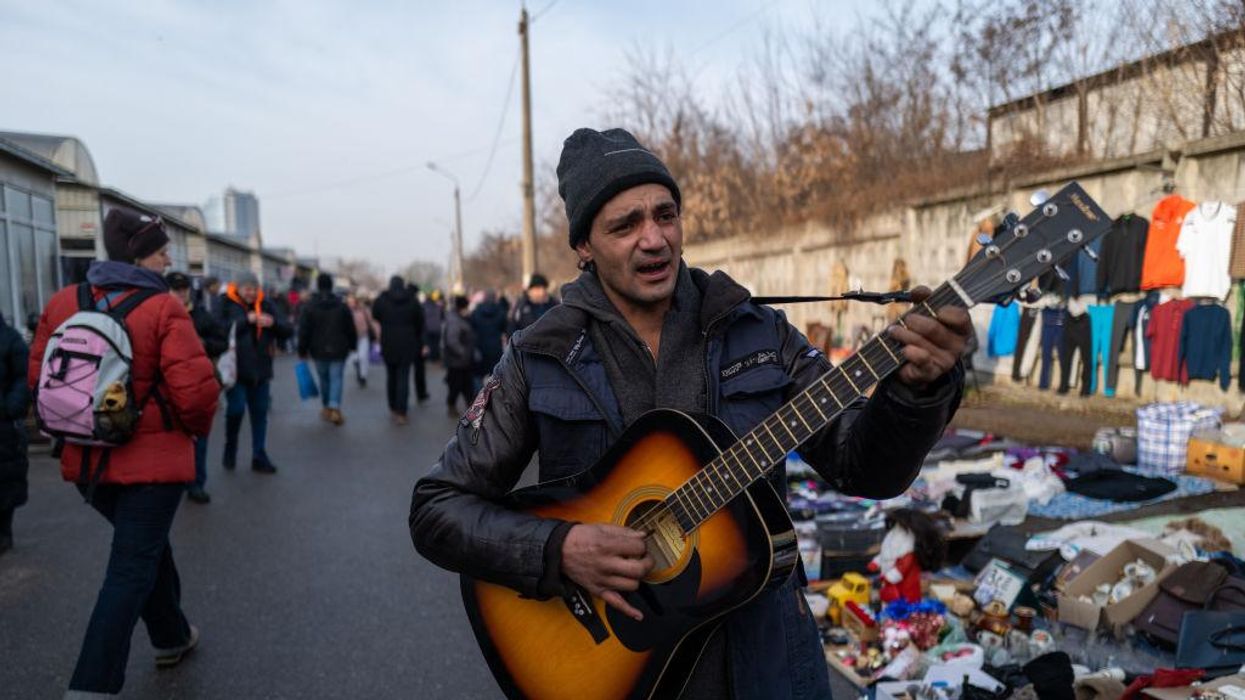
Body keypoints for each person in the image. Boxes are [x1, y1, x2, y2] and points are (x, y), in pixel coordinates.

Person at [409, 128, 969, 699]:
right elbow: (437, 510)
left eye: (665, 215)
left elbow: (865, 468)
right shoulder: (540, 354)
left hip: (764, 664)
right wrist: (559, 550)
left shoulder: (758, 331)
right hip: (616, 671)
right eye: (625, 225)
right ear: (584, 246)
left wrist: (917, 392)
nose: (654, 239)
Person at [29, 209, 218, 696]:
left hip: (86, 464)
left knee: (146, 548)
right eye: (161, 252)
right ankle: (90, 686)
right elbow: (196, 395)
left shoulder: (64, 302)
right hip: (151, 467)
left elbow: (39, 380)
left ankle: (171, 636)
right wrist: (191, 434)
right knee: (131, 567)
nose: (168, 260)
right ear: (138, 256)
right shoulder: (162, 308)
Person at [216, 271, 292, 473]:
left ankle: (259, 455)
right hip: (236, 370)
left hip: (261, 371)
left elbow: (288, 329)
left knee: (260, 415)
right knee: (236, 410)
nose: (251, 293)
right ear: (238, 287)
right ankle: (230, 447)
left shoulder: (266, 304)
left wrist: (273, 323)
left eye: (254, 288)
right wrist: (245, 321)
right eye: (247, 288)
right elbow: (218, 329)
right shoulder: (225, 303)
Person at [166, 272, 228, 504]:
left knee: (199, 434)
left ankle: (196, 483)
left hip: (198, 384)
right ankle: (176, 480)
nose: (181, 293)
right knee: (173, 436)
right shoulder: (160, 315)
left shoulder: (201, 315)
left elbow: (221, 341)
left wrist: (204, 344)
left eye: (184, 288)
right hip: (169, 386)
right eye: (176, 288)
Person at [298, 273, 356, 426]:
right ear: (332, 285)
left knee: (324, 379)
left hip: (317, 349)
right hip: (339, 348)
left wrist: (302, 350)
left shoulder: (309, 306)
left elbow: (304, 330)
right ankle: (335, 407)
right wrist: (353, 345)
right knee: (336, 378)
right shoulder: (341, 305)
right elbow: (350, 328)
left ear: (318, 286)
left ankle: (326, 408)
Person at [372, 276, 426, 424]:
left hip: (388, 341)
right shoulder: (412, 300)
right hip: (408, 342)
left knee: (391, 376)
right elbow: (420, 321)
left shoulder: (382, 300)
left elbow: (375, 314)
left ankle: (393, 406)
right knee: (403, 376)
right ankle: (402, 411)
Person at [0, 312, 30, 555]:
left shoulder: (9, 339)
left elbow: (23, 377)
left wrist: (10, 408)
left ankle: (3, 532)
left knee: (6, 478)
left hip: (3, 424)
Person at [440, 295, 476, 417]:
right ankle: (452, 406)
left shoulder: (460, 318)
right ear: (462, 307)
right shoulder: (455, 320)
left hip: (462, 361)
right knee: (456, 385)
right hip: (457, 361)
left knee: (466, 384)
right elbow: (452, 341)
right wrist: (464, 352)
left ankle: (471, 408)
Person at [469, 289, 506, 385]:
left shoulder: (476, 312)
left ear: (484, 298)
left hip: (480, 348)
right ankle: (493, 398)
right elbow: (504, 329)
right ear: (495, 298)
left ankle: (477, 398)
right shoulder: (501, 312)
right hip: (495, 348)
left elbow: (471, 328)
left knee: (478, 376)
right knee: (496, 376)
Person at [346, 293, 377, 388]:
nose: (351, 304)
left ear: (356, 301)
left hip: (364, 336)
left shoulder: (364, 310)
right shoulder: (345, 311)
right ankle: (359, 371)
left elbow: (372, 322)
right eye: (349, 302)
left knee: (363, 357)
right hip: (351, 338)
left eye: (352, 302)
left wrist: (377, 334)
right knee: (355, 358)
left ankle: (362, 377)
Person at [423, 290, 445, 362]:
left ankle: (429, 357)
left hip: (427, 328)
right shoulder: (439, 306)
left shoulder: (424, 306)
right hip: (436, 328)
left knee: (429, 343)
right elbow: (442, 317)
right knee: (435, 344)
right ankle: (435, 357)